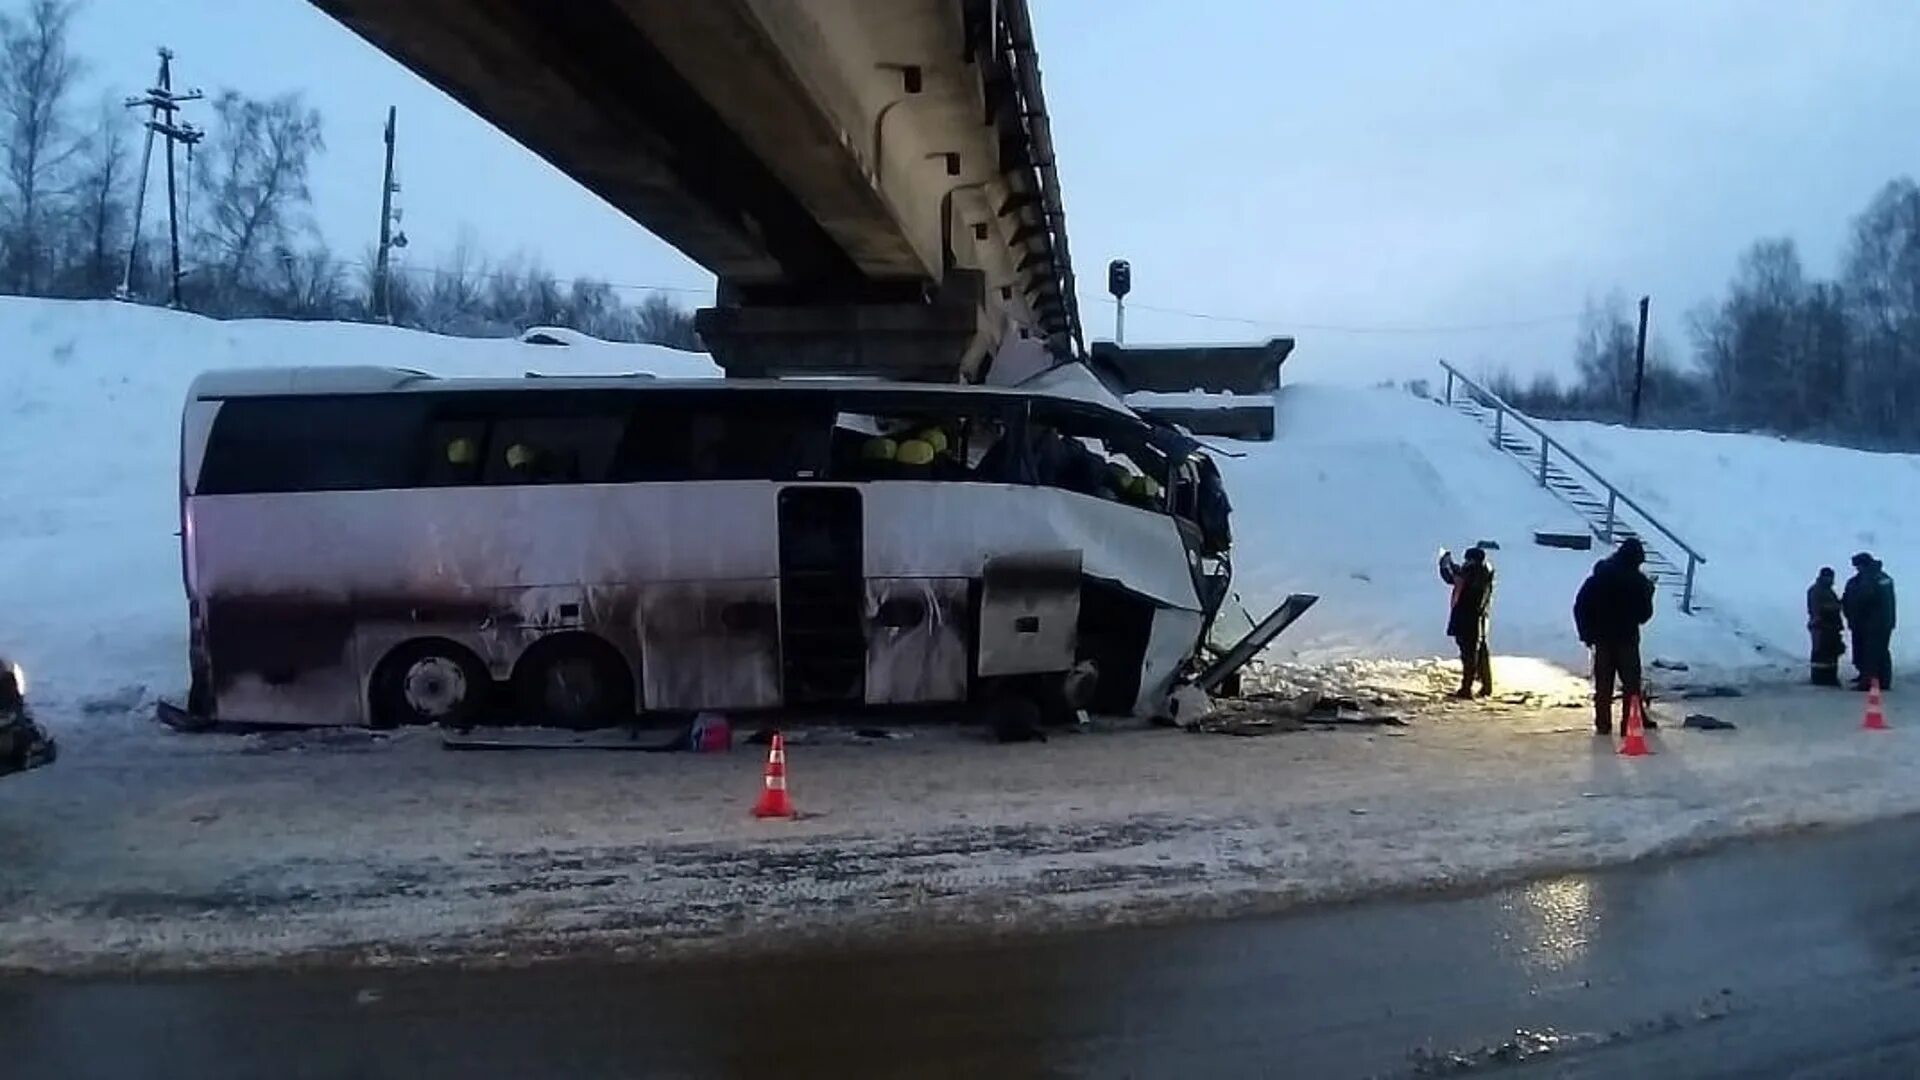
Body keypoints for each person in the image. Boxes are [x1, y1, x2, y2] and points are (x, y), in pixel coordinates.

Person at [1574, 537, 1656, 735]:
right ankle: (1629, 724)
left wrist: (1586, 634)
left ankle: (1603, 724)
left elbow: (1580, 606)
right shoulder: (1638, 582)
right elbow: (1644, 615)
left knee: (1603, 684)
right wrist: (1649, 593)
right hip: (1627, 639)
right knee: (1631, 685)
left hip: (1602, 639)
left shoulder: (1599, 576)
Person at [1438, 546, 1495, 699]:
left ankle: (1467, 688)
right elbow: (1456, 578)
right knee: (1480, 653)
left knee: (1469, 654)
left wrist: (1448, 565)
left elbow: (1459, 579)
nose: (1466, 563)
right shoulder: (1482, 570)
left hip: (1469, 618)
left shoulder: (1477, 572)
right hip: (1479, 619)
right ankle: (1485, 686)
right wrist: (1447, 566)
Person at [1842, 552, 1897, 691]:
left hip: (1873, 624)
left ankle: (1868, 681)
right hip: (1879, 623)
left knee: (1871, 653)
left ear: (1864, 564)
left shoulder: (1871, 579)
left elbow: (1863, 599)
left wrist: (1850, 609)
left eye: (1858, 566)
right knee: (1879, 652)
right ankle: (1881, 679)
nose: (1856, 569)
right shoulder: (1881, 578)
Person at [1807, 567, 1846, 687]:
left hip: (1829, 626)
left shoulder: (1826, 590)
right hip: (1822, 626)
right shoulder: (1817, 590)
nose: (1830, 580)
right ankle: (1821, 678)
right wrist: (1837, 606)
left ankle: (1829, 676)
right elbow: (1818, 608)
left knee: (1830, 653)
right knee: (1821, 654)